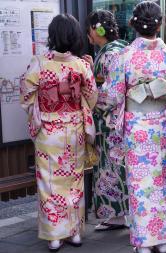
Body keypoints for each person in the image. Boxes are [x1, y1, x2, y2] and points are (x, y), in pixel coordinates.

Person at [99, 2, 166, 253]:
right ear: (160, 23)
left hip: (136, 128)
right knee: (162, 182)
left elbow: (111, 95)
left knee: (139, 183)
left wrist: (101, 104)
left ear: (133, 24)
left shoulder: (125, 56)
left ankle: (144, 242)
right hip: (163, 127)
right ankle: (162, 239)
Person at [20, 14, 98, 251]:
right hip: (73, 128)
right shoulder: (81, 65)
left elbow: (26, 94)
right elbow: (92, 96)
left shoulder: (40, 62)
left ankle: (54, 235)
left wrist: (39, 110)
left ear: (52, 36)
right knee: (74, 180)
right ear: (74, 36)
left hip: (48, 130)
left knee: (49, 182)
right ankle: (74, 232)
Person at [83, 9, 129, 232]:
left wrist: (90, 97)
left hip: (111, 122)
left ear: (96, 29)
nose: (88, 33)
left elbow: (110, 93)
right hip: (124, 120)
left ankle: (116, 216)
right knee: (119, 168)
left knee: (111, 169)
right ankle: (121, 214)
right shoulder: (120, 48)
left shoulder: (110, 54)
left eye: (89, 28)